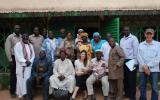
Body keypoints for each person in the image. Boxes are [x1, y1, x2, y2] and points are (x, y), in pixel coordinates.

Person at [137, 28, 160, 100]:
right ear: (145, 34)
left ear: (153, 35)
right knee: (142, 86)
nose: (149, 35)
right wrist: (144, 66)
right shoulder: (141, 44)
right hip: (143, 69)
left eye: (150, 34)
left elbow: (158, 57)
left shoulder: (158, 44)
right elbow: (138, 56)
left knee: (154, 87)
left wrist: (147, 66)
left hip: (154, 69)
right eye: (147, 34)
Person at [14, 33, 35, 100]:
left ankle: (26, 94)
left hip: (28, 67)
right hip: (21, 67)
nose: (26, 38)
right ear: (22, 38)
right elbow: (18, 56)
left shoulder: (30, 45)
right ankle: (21, 95)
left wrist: (30, 61)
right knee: (20, 81)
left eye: (27, 37)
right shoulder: (18, 45)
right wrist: (25, 61)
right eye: (24, 37)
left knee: (27, 81)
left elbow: (33, 55)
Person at [120, 26, 139, 100]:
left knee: (132, 79)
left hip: (131, 61)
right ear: (123, 31)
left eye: (127, 30)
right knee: (125, 79)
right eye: (124, 30)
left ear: (129, 30)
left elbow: (136, 51)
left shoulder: (134, 38)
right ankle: (127, 93)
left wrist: (135, 62)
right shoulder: (121, 39)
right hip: (123, 61)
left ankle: (132, 96)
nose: (126, 31)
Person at [5, 24, 22, 97]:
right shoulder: (10, 37)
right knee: (13, 75)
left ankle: (19, 90)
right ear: (14, 29)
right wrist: (10, 60)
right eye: (16, 28)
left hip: (20, 58)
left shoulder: (21, 36)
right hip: (13, 58)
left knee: (19, 74)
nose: (17, 29)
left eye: (19, 28)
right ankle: (12, 92)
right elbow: (7, 49)